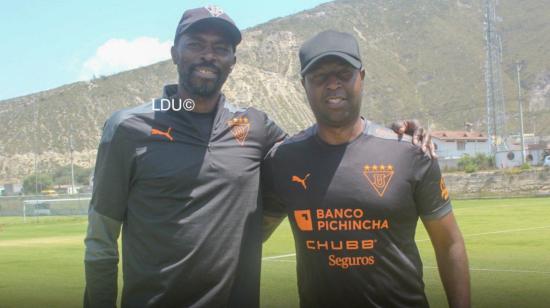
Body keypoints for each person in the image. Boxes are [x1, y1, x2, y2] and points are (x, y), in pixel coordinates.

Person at [84, 5, 434, 307]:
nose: (208, 55)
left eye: (220, 48)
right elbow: (101, 240)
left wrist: (391, 135)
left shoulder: (255, 126)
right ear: (175, 53)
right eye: (196, 45)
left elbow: (322, 145)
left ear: (232, 62)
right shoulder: (129, 128)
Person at [262, 30, 470, 308]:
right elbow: (251, 234)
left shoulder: (409, 152)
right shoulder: (284, 159)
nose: (333, 84)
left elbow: (449, 243)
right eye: (320, 76)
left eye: (343, 73)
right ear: (304, 84)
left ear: (362, 77)